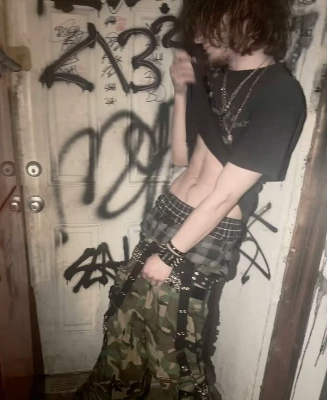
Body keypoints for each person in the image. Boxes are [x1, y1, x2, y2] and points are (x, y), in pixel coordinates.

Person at [74, 0, 307, 398]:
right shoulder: (214, 79)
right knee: (124, 327)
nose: (198, 37)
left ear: (242, 16)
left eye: (206, 25)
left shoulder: (281, 94)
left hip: (204, 232)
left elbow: (225, 194)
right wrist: (182, 92)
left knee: (174, 349)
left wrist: (169, 254)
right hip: (168, 212)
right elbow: (183, 158)